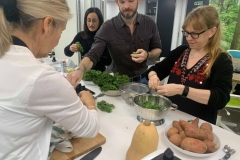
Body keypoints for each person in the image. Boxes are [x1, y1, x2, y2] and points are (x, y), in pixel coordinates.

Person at [0, 0, 100, 159]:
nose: (59, 39)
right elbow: (91, 128)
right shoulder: (39, 76)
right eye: (61, 31)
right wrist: (89, 102)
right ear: (47, 24)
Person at [147, 5, 233, 124]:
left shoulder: (222, 60)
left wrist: (182, 90)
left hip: (198, 125)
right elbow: (156, 69)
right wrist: (153, 77)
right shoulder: (181, 51)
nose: (188, 38)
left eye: (195, 34)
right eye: (186, 33)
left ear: (211, 32)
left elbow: (220, 99)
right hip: (169, 118)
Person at [66, 0, 162, 88]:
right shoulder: (107, 27)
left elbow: (157, 49)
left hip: (144, 79)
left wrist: (147, 55)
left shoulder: (149, 23)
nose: (126, 6)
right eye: (122, 1)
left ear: (138, 1)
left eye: (131, 1)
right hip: (119, 82)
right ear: (117, 2)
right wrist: (80, 69)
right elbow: (93, 54)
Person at [64, 7, 112, 72]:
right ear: (85, 21)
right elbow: (67, 52)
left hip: (100, 74)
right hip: (84, 73)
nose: (91, 24)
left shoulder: (104, 37)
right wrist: (71, 48)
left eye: (94, 21)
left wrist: (91, 57)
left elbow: (109, 61)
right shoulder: (81, 35)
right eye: (89, 20)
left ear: (99, 21)